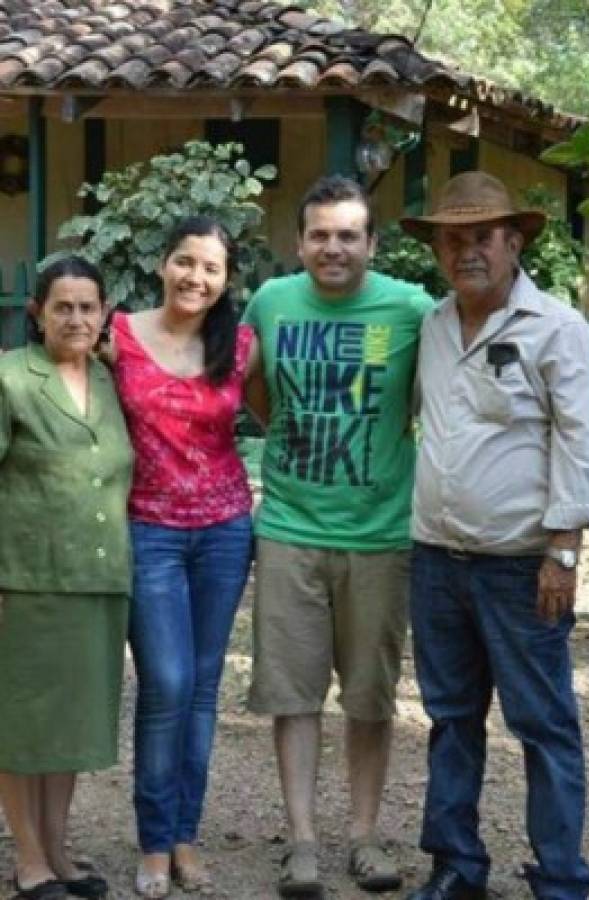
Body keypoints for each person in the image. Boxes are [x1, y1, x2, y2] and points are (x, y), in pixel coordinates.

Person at [399, 171, 589, 900]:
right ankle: (456, 864)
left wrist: (564, 552)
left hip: (521, 567)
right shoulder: (432, 325)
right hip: (435, 559)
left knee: (543, 725)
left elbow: (578, 446)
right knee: (451, 719)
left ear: (514, 242)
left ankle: (561, 878)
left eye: (481, 236)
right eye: (452, 239)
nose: (465, 251)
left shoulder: (557, 328)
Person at [241, 175, 433, 898]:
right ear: (299, 243)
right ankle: (301, 841)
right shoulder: (271, 302)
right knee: (293, 695)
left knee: (369, 697)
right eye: (319, 234)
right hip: (289, 528)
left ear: (371, 244)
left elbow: (425, 402)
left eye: (348, 234)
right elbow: (257, 392)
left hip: (381, 533)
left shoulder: (412, 309)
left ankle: (364, 835)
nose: (333, 247)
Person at [105, 217, 256, 898]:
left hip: (225, 531)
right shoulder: (119, 337)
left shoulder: (242, 346)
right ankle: (154, 841)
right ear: (164, 264)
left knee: (200, 688)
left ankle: (186, 836)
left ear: (227, 281)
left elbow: (279, 418)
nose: (195, 277)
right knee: (164, 685)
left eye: (211, 268)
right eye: (184, 262)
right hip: (151, 532)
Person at [0, 257, 133, 900]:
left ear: (105, 311)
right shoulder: (10, 378)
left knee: (70, 726)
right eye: (63, 307)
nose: (77, 318)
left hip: (98, 580)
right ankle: (29, 864)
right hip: (25, 580)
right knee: (23, 725)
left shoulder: (108, 380)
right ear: (38, 312)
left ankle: (58, 852)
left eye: (88, 306)